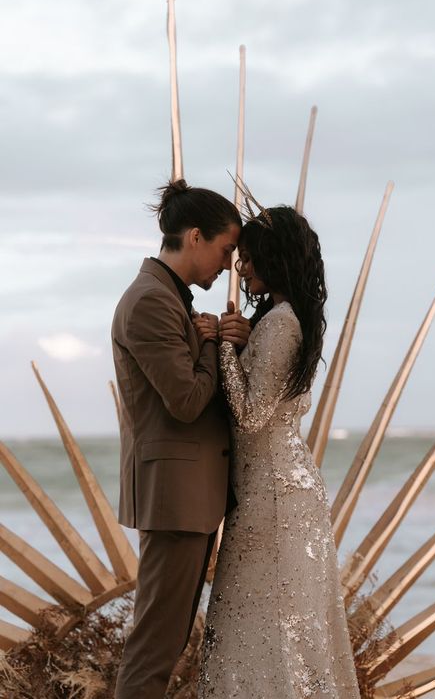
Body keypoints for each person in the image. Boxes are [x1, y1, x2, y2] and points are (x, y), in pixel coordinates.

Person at [197, 202, 361, 698]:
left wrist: (223, 346)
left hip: (273, 500)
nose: (240, 267)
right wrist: (241, 341)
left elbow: (250, 415)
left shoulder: (280, 323)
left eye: (248, 257)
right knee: (277, 630)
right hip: (279, 490)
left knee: (253, 627)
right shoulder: (286, 318)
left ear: (274, 256)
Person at [111, 178, 251, 699]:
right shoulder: (150, 301)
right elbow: (188, 401)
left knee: (162, 650)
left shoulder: (168, 298)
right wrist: (213, 343)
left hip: (187, 497)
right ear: (196, 237)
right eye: (225, 249)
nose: (228, 264)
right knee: (153, 653)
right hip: (174, 498)